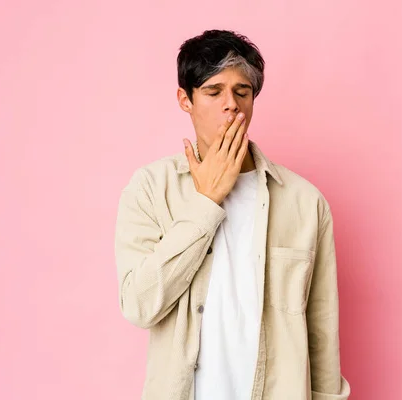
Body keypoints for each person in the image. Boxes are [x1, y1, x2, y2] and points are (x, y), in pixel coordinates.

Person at [115, 29, 351, 400]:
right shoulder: (150, 188)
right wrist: (206, 202)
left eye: (242, 92)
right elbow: (140, 305)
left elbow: (322, 331)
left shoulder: (306, 203)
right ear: (185, 99)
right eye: (213, 91)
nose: (231, 104)